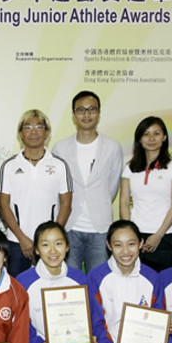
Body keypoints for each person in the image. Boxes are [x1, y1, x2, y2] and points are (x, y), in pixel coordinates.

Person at [52, 90, 124, 272]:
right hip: (69, 226)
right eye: (81, 110)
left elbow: (112, 185)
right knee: (69, 282)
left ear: (99, 113)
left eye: (91, 109)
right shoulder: (60, 148)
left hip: (100, 228)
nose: (86, 114)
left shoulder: (112, 146)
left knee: (99, 283)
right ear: (74, 114)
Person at [0, 110, 72, 276]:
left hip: (50, 245)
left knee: (50, 291)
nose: (33, 132)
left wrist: (52, 238)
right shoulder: (9, 166)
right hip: (17, 241)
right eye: (28, 127)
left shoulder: (59, 165)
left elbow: (66, 204)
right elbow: (3, 205)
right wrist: (22, 238)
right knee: (18, 292)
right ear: (20, 134)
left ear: (46, 133)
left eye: (39, 127)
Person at [120, 116, 172, 272]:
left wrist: (158, 235)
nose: (151, 138)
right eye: (146, 134)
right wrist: (131, 235)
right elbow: (123, 202)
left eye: (156, 133)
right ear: (139, 139)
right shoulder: (130, 167)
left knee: (165, 288)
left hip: (165, 236)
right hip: (137, 237)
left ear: (164, 137)